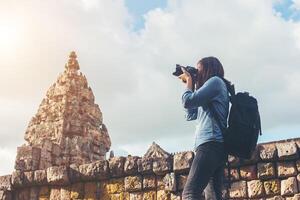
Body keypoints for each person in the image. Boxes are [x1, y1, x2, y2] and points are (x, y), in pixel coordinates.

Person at [178, 56, 230, 200]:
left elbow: (187, 101)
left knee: (189, 194)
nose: (197, 74)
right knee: (213, 196)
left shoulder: (215, 82)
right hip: (214, 146)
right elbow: (190, 114)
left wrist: (189, 81)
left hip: (210, 144)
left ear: (208, 69)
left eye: (199, 70)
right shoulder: (212, 87)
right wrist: (193, 85)